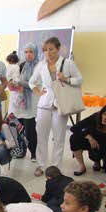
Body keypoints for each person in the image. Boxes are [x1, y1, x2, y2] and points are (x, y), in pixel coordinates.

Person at [29, 37, 84, 176]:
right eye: (45, 50)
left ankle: (55, 168)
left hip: (61, 105)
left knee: (58, 138)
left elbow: (79, 79)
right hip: (44, 105)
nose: (48, 52)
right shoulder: (41, 65)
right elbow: (32, 82)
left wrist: (66, 79)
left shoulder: (68, 64)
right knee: (41, 137)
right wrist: (39, 92)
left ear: (58, 48)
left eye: (51, 49)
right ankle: (41, 166)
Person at [69, 101, 106, 175]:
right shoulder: (96, 117)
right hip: (93, 143)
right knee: (74, 138)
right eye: (104, 114)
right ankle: (82, 166)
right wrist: (90, 138)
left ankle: (99, 161)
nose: (104, 118)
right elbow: (74, 128)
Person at [9, 43, 40, 162]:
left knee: (30, 131)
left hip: (31, 103)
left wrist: (19, 84)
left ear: (35, 53)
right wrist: (11, 84)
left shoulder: (39, 66)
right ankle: (21, 151)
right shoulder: (21, 65)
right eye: (26, 52)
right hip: (19, 103)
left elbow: (34, 84)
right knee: (17, 128)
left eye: (31, 52)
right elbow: (13, 79)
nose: (28, 54)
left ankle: (34, 153)